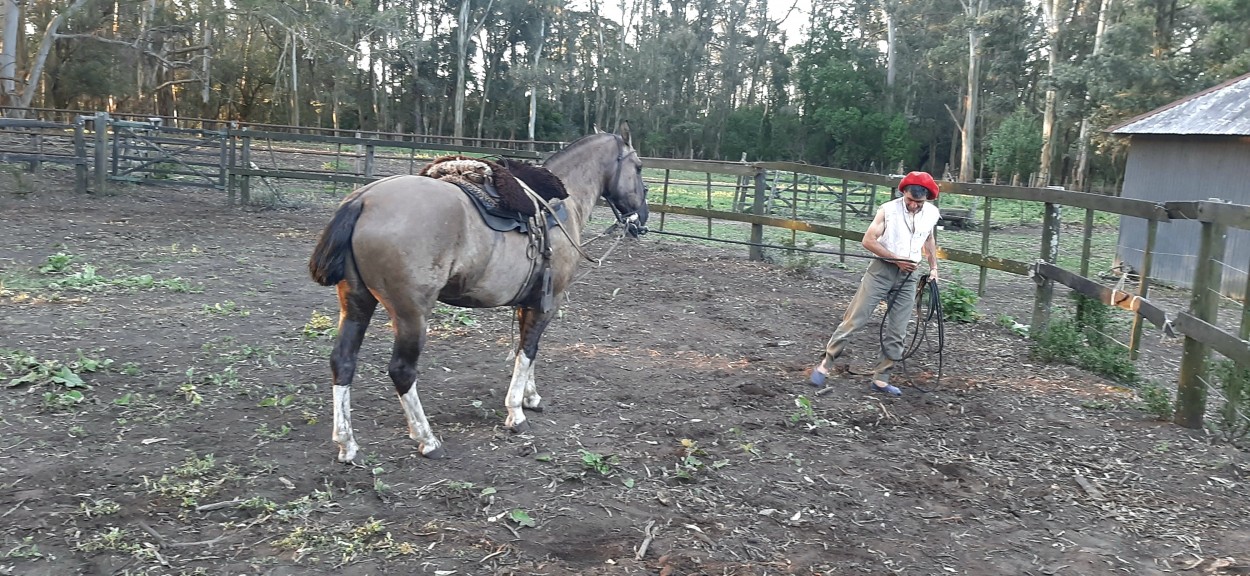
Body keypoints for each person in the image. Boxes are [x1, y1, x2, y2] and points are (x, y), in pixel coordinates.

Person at [809, 171, 942, 396]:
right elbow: (868, 240)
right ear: (904, 194)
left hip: (908, 277)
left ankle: (881, 378)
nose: (912, 205)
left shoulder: (931, 214)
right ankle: (825, 364)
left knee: (898, 330)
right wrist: (895, 259)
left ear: (927, 198)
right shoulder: (888, 210)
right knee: (855, 319)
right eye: (909, 200)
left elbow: (928, 239)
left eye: (918, 202)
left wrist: (934, 268)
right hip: (881, 271)